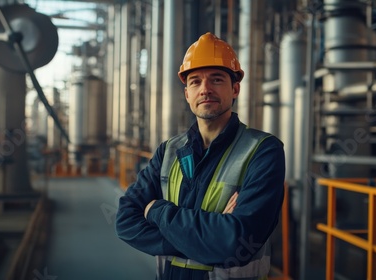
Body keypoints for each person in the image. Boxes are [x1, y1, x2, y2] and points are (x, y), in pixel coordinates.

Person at [115, 32, 285, 280]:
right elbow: (125, 220)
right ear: (187, 94)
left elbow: (235, 244)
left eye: (216, 80)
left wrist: (157, 211)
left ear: (235, 89)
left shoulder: (263, 150)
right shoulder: (168, 151)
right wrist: (207, 238)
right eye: (195, 81)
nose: (205, 89)